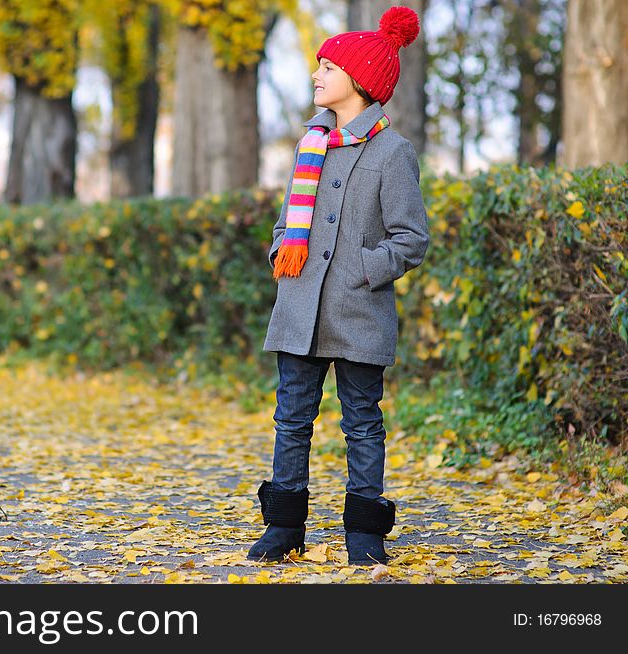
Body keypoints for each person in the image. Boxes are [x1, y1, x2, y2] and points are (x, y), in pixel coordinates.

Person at [247, 6, 429, 566]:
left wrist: (363, 269)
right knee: (292, 417)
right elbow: (286, 221)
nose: (316, 75)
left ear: (359, 81)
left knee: (362, 422)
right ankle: (284, 527)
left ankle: (364, 532)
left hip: (358, 310)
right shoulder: (310, 146)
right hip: (299, 305)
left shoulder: (391, 153)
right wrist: (283, 249)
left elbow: (411, 237)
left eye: (327, 66)